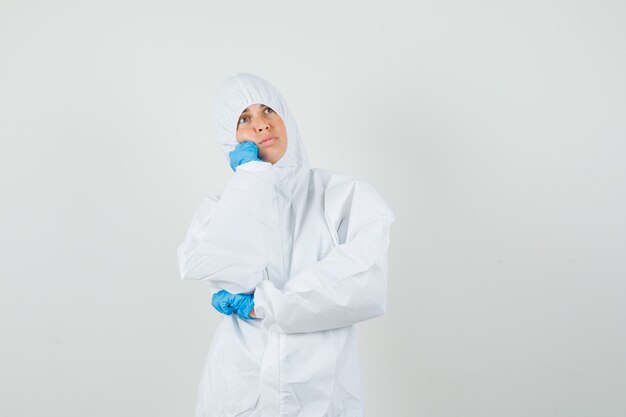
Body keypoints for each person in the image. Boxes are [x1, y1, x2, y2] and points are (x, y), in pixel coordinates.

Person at [177, 72, 395, 417]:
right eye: (244, 119)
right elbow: (223, 267)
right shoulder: (219, 210)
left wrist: (263, 305)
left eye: (268, 111)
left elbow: (362, 285)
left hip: (320, 392)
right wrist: (252, 180)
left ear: (286, 118)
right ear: (229, 138)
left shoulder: (343, 197)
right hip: (240, 389)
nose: (261, 125)